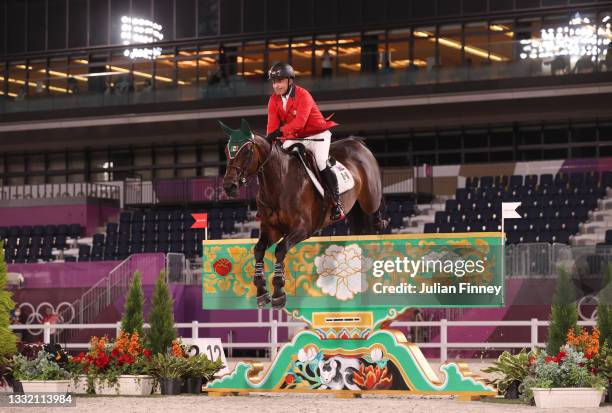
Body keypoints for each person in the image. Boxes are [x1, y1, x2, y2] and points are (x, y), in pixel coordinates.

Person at [265, 62, 344, 221]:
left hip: (317, 136)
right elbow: (271, 127)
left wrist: (279, 132)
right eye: (274, 82)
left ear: (289, 81)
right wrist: (270, 145)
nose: (276, 85)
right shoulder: (273, 100)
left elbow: (299, 123)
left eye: (280, 81)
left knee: (321, 162)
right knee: (280, 160)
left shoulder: (303, 95)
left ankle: (336, 203)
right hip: (294, 136)